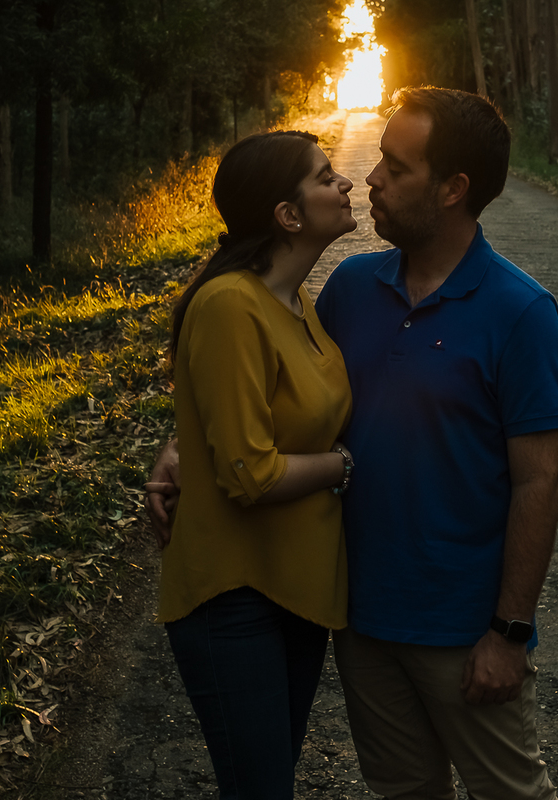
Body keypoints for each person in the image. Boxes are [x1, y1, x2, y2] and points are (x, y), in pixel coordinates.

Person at [149, 87, 558, 800]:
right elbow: (273, 393)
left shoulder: (520, 312)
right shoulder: (349, 287)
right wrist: (184, 446)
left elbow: (539, 482)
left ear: (452, 189)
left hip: (460, 627)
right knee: (402, 790)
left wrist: (509, 631)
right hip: (358, 618)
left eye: (396, 168)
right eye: (374, 161)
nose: (370, 178)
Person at [150, 129, 358, 800]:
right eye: (327, 177)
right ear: (287, 215)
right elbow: (250, 472)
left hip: (295, 590)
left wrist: (180, 448)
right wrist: (340, 466)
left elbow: (238, 420)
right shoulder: (229, 305)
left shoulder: (297, 304)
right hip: (234, 598)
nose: (346, 184)